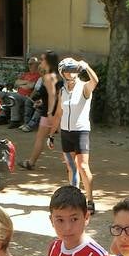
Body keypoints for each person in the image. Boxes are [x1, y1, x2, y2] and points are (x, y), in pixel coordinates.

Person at [56, 58, 100, 210]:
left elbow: (95, 81)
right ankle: (74, 198)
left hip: (80, 131)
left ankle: (90, 200)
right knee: (70, 167)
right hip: (65, 132)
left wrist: (86, 66)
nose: (71, 72)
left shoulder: (83, 87)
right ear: (63, 73)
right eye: (68, 70)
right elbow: (59, 112)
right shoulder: (62, 91)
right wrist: (51, 134)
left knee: (82, 166)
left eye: (74, 69)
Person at [24, 53, 61, 171]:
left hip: (50, 112)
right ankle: (74, 164)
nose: (40, 62)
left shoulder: (48, 76)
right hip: (57, 111)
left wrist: (50, 113)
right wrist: (41, 102)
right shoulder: (56, 75)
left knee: (40, 138)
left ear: (48, 62)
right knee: (67, 138)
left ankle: (31, 162)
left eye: (42, 60)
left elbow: (52, 96)